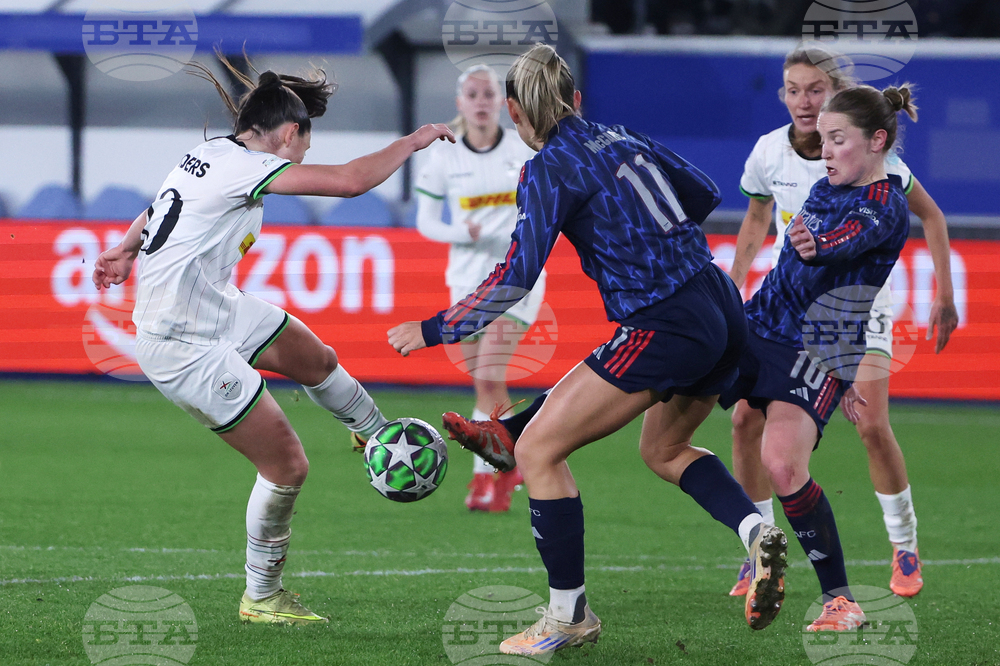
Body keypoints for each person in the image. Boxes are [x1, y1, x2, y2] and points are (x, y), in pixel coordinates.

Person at [389, 44, 788, 656]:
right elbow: (703, 194)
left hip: (664, 319)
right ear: (575, 100)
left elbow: (515, 278)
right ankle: (756, 528)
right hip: (719, 303)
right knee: (664, 448)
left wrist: (436, 327)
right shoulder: (621, 135)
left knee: (541, 451)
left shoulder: (547, 167)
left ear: (517, 114)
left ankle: (567, 616)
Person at [91, 56, 454, 625]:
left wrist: (124, 247)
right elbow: (350, 182)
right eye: (305, 145)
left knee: (316, 358)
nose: (304, 157)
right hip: (181, 343)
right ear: (290, 133)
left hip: (212, 307)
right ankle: (261, 595)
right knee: (287, 465)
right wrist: (414, 140)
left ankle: (374, 434)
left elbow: (155, 208)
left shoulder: (208, 154)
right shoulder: (247, 166)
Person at [725, 44, 958, 600]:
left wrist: (944, 294)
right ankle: (761, 549)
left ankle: (904, 545)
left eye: (814, 90)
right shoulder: (768, 153)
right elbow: (758, 218)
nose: (803, 102)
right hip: (788, 307)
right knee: (742, 422)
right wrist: (735, 283)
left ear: (836, 95)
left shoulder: (878, 168)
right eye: (792, 89)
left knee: (871, 425)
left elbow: (930, 216)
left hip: (856, 309)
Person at [414, 64, 542, 513]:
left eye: (489, 94)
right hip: (466, 281)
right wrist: (460, 232)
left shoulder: (522, 150)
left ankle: (500, 473)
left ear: (503, 103)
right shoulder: (444, 156)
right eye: (473, 94)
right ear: (460, 103)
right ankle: (497, 473)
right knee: (486, 386)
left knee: (489, 372)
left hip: (518, 277)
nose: (482, 101)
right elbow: (425, 220)